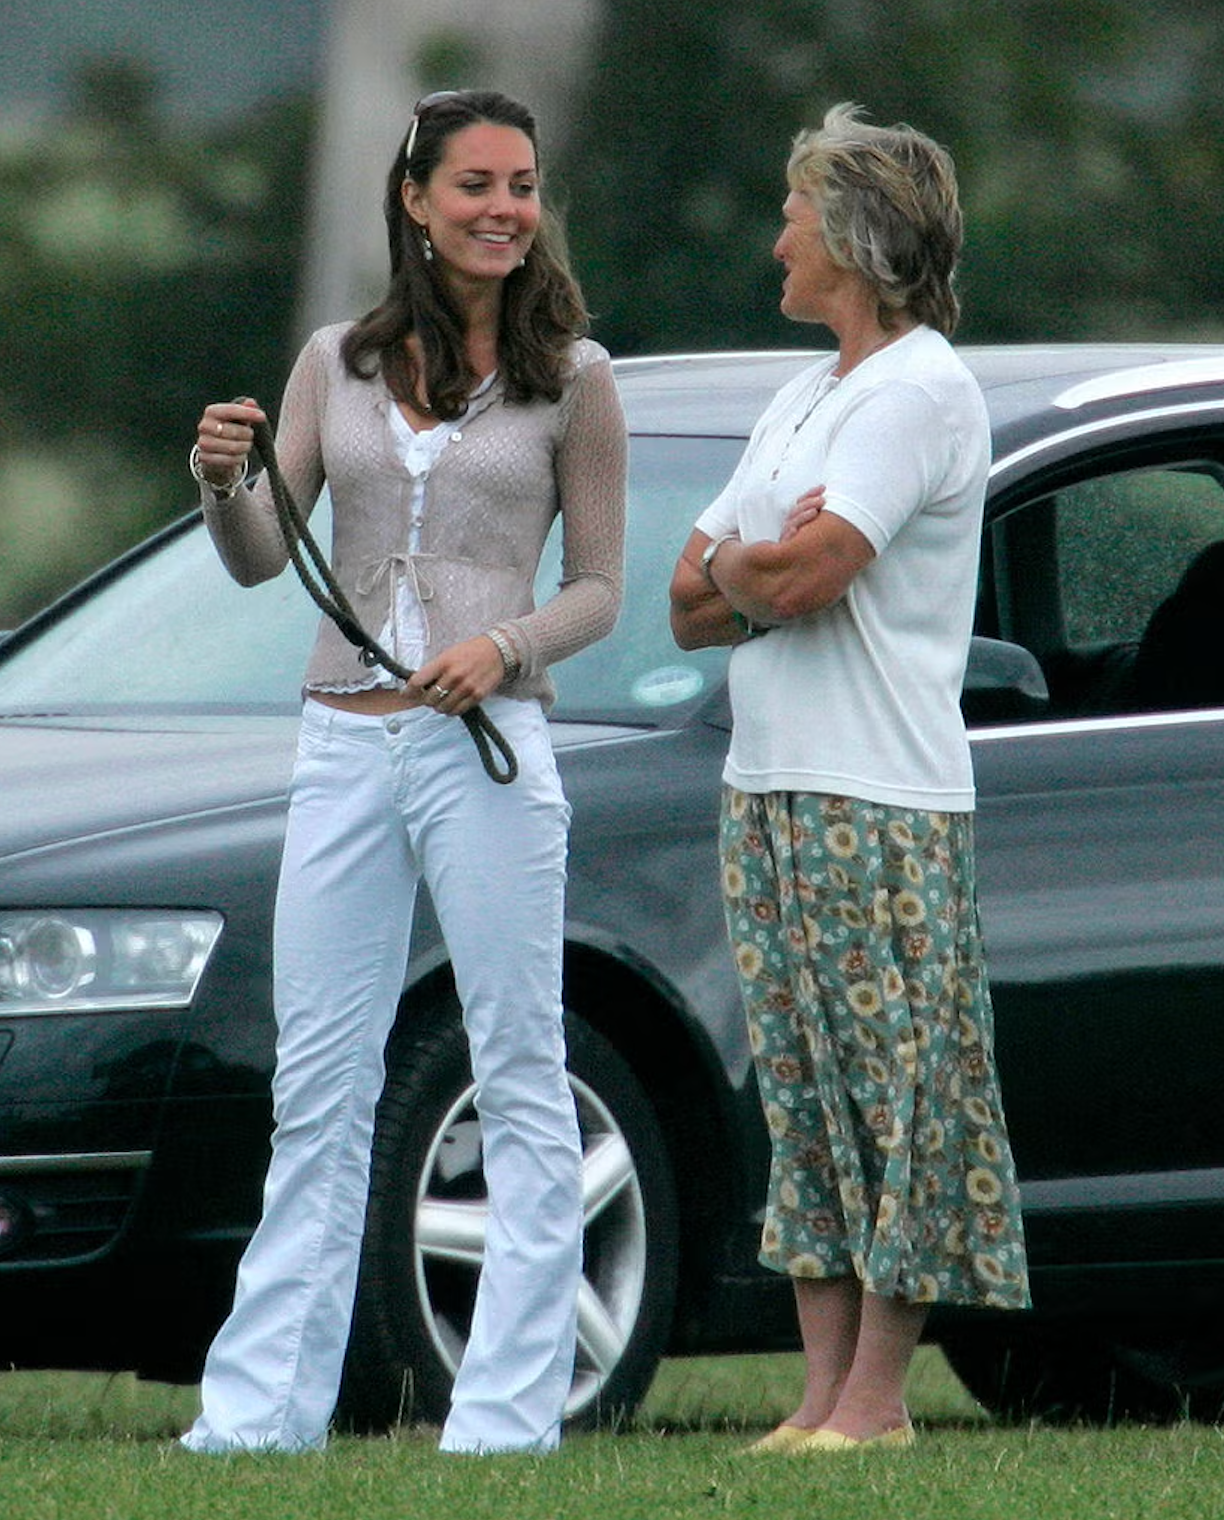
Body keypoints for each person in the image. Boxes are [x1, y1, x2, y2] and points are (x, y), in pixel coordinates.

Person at [180, 88, 627, 1456]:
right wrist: (219, 481)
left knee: (519, 1066)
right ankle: (261, 1419)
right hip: (343, 740)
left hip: (488, 749)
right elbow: (267, 556)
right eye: (476, 185)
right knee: (318, 1082)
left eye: (523, 185)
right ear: (416, 200)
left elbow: (601, 589)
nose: (504, 209)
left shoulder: (576, 377)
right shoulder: (337, 362)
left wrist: (503, 645)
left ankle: (504, 1420)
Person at [669, 103, 1029, 1453]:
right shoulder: (804, 395)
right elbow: (687, 603)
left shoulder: (920, 389)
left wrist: (757, 568)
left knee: (900, 1089)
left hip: (879, 793)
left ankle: (877, 1403)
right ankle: (820, 1398)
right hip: (767, 784)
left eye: (795, 212)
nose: (777, 238)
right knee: (807, 1096)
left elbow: (812, 573)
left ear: (857, 237)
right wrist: (760, 570)